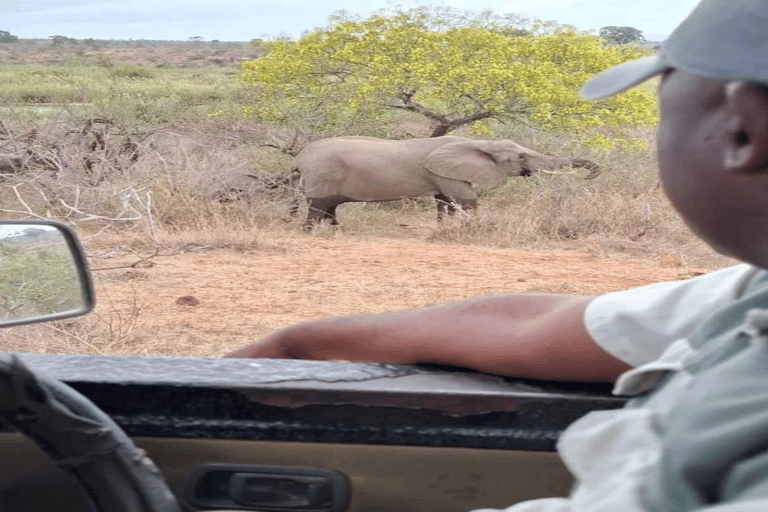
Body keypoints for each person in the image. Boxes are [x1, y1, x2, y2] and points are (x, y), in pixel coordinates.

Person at [228, 0, 768, 509]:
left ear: (745, 130)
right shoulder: (749, 291)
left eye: (663, 104)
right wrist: (299, 341)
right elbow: (528, 323)